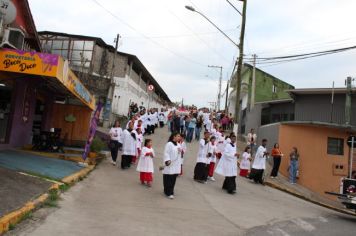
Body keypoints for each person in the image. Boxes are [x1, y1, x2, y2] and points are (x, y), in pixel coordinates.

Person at [162, 132, 182, 199]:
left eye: (179, 136)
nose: (179, 137)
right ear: (174, 136)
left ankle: (171, 191)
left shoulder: (179, 145)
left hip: (176, 164)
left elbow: (179, 154)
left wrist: (180, 151)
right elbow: (166, 153)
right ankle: (168, 192)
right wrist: (167, 160)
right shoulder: (169, 144)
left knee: (173, 178)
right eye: (178, 136)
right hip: (170, 163)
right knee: (168, 178)